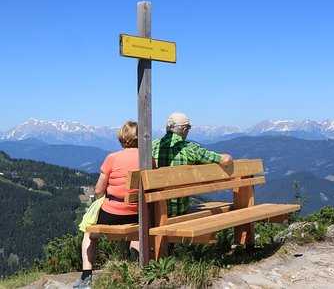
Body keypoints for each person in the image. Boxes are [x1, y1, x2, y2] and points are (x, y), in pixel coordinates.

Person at [73, 121, 140, 289]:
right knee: (137, 233)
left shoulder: (112, 158)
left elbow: (98, 189)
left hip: (113, 214)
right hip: (138, 213)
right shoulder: (148, 158)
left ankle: (86, 276)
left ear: (122, 138)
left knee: (89, 231)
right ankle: (135, 268)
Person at [152, 112, 233, 216]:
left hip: (154, 211)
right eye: (188, 128)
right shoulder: (190, 149)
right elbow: (225, 160)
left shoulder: (152, 146)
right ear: (184, 129)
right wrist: (228, 157)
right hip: (178, 211)